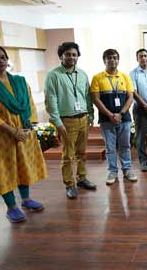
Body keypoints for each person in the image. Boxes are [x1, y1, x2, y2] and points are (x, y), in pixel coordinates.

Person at [0, 45, 47, 223]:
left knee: (23, 165)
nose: (0, 60)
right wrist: (12, 130)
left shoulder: (20, 81)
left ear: (7, 60)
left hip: (22, 132)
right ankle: (11, 207)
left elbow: (30, 105)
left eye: (3, 57)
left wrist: (28, 128)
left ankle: (26, 199)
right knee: (3, 170)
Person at [44, 42, 97, 199]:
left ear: (77, 56)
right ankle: (69, 183)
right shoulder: (53, 75)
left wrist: (91, 114)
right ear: (61, 56)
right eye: (67, 54)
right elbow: (51, 99)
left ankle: (81, 178)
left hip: (83, 117)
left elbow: (87, 96)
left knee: (82, 152)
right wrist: (57, 122)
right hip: (66, 120)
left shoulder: (82, 74)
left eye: (74, 54)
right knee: (68, 155)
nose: (71, 57)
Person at [91, 49, 138, 185]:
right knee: (110, 147)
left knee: (125, 145)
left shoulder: (125, 77)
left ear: (118, 60)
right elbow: (96, 99)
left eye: (115, 58)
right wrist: (110, 115)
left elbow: (130, 97)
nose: (112, 60)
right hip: (106, 120)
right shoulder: (97, 78)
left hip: (124, 118)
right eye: (109, 58)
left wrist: (121, 114)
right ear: (104, 60)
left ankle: (127, 169)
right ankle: (112, 171)